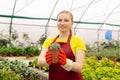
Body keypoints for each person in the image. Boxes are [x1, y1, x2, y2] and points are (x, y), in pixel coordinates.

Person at [38, 10, 86, 80]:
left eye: (66, 20)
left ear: (72, 23)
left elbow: (79, 67)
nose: (62, 23)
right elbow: (39, 61)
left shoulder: (78, 41)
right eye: (60, 20)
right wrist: (46, 60)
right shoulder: (49, 41)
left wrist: (65, 62)